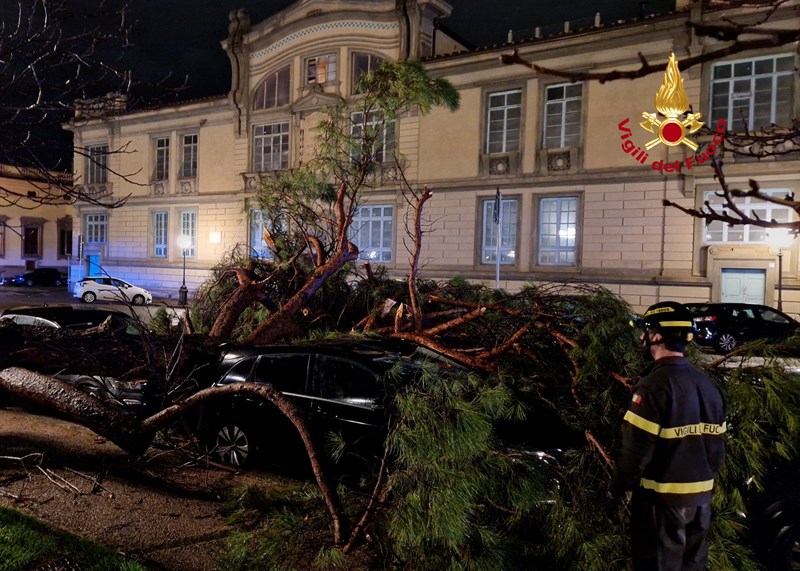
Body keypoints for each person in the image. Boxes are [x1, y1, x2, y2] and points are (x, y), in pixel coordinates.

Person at [611, 301, 726, 571]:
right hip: (700, 505)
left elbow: (636, 453)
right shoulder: (707, 385)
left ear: (658, 335)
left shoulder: (652, 387)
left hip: (661, 506)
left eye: (647, 331)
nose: (643, 337)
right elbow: (717, 454)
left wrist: (615, 490)